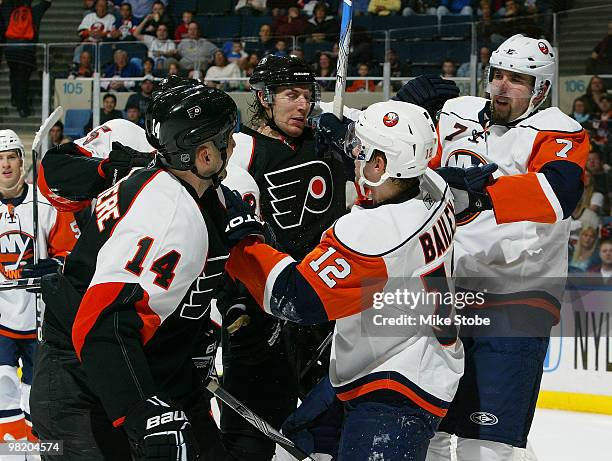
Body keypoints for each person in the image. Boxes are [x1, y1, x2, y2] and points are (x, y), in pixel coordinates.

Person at [224, 100, 464, 460]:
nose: (353, 155)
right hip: (412, 358)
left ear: (381, 165)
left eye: (361, 150)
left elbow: (294, 297)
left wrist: (242, 239)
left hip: (396, 388)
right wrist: (344, 134)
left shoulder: (372, 233)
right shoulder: (434, 186)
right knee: (300, 441)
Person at [30, 82, 239, 460]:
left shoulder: (195, 191)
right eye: (228, 138)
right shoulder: (165, 207)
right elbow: (52, 175)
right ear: (203, 152)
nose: (234, 146)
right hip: (81, 378)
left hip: (137, 366)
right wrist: (142, 411)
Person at [427, 34, 590, 461]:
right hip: (446, 299)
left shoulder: (559, 129)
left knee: (488, 446)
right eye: (497, 75)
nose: (501, 86)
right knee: (431, 435)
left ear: (542, 89)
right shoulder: (456, 115)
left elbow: (561, 192)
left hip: (515, 304)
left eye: (517, 79)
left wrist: (482, 195)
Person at [221, 54, 349, 461]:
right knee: (249, 441)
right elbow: (218, 233)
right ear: (263, 97)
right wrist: (230, 300)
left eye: (309, 96)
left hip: (323, 308)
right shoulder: (240, 150)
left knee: (326, 438)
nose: (303, 105)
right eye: (291, 94)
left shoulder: (324, 140)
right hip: (259, 311)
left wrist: (347, 137)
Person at [0, 129, 79, 442]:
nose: (5, 165)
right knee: (3, 381)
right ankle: (9, 445)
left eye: (11, 158)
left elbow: (72, 254)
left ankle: (37, 444)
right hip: (1, 317)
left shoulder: (45, 204)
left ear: (22, 163)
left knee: (38, 388)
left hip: (39, 315)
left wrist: (55, 265)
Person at [5, 0, 51, 117]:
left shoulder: (10, 11)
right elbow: (47, 2)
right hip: (26, 49)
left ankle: (14, 98)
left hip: (10, 48)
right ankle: (22, 107)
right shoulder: (34, 11)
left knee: (14, 73)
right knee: (23, 79)